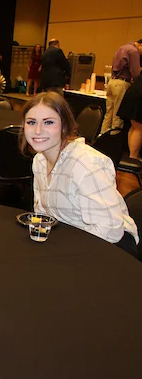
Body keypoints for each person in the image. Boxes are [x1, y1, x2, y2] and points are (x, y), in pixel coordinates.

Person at [19, 92, 139, 258]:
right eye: (31, 122)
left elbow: (110, 230)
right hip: (72, 238)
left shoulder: (86, 165)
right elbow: (44, 215)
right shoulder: (39, 161)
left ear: (65, 126)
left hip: (112, 248)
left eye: (48, 122)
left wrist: (65, 251)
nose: (38, 130)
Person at [100, 39, 142, 134]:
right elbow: (136, 73)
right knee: (117, 116)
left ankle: (102, 137)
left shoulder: (122, 47)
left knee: (108, 114)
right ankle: (113, 142)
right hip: (122, 83)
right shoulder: (133, 51)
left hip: (112, 82)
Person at [118, 75, 142, 159]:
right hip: (139, 94)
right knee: (138, 128)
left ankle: (132, 156)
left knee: (134, 127)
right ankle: (133, 157)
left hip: (135, 88)